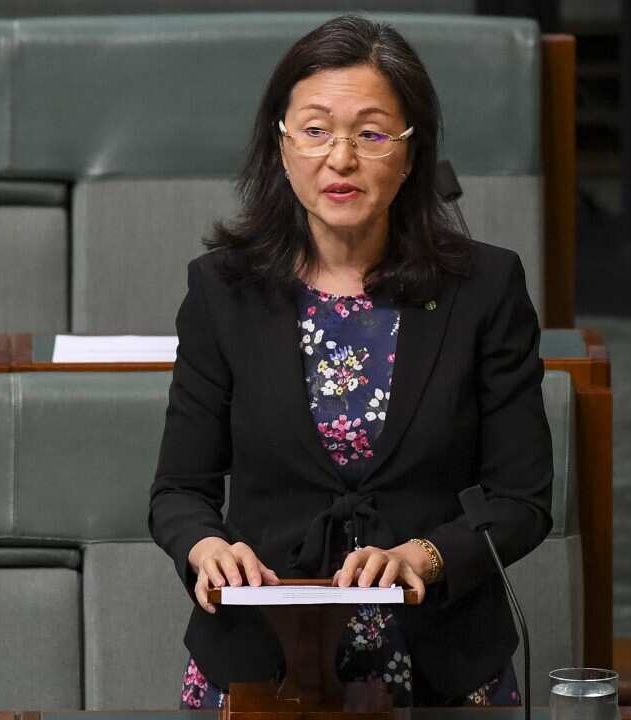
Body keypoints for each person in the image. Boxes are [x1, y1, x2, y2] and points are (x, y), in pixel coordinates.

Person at [149, 14, 552, 709]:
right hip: (260, 660)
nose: (340, 158)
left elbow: (523, 500)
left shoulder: (485, 289)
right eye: (314, 130)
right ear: (281, 147)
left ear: (409, 152)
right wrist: (206, 548)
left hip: (442, 663)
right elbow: (178, 491)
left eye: (369, 134)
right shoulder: (223, 290)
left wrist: (421, 557)